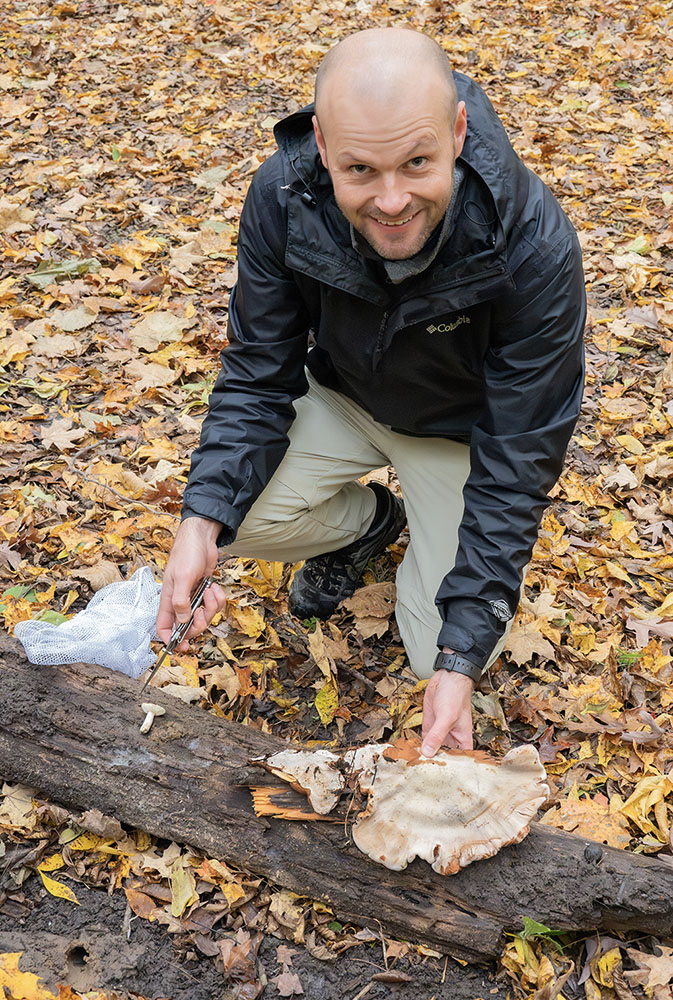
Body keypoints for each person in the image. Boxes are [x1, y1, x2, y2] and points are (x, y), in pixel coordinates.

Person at [156, 28, 585, 755]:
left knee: (441, 658)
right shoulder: (284, 195)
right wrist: (198, 521)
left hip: (459, 439)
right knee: (226, 522)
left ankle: (429, 555)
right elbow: (258, 369)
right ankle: (369, 524)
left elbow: (518, 461)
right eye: (359, 169)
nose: (391, 200)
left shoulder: (532, 248)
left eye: (417, 163)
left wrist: (457, 658)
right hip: (344, 398)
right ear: (321, 147)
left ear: (455, 132)